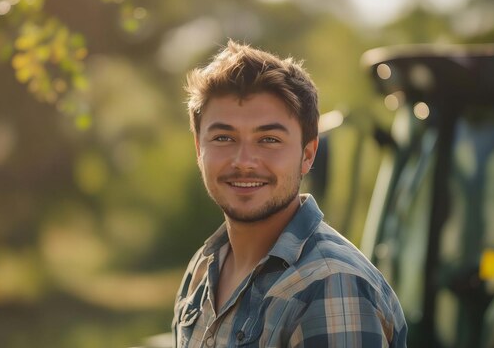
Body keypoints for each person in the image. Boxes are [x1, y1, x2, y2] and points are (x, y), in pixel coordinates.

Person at [172, 40, 407, 348]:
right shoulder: (204, 267)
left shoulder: (332, 286)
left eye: (268, 139)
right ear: (198, 149)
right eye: (223, 137)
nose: (243, 161)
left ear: (308, 154)